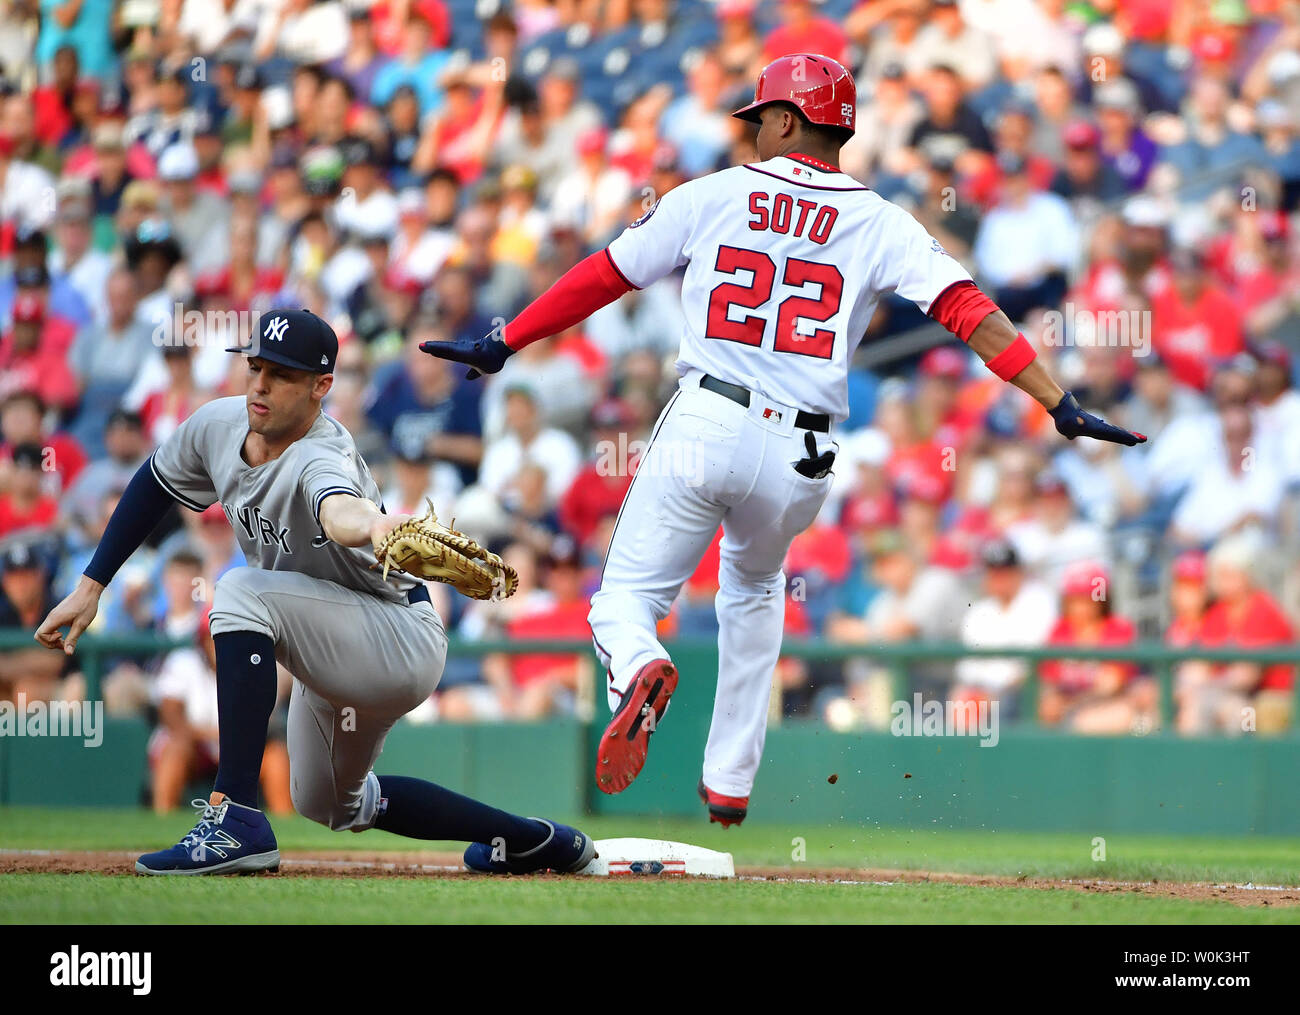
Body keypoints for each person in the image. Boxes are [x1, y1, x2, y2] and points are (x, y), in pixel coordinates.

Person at [423, 54, 1144, 825]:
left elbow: (607, 274)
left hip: (709, 415)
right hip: (804, 450)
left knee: (623, 602)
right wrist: (1057, 400)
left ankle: (641, 665)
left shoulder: (715, 193)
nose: (753, 128)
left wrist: (508, 339)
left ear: (792, 119)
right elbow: (970, 310)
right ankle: (730, 779)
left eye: (760, 116)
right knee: (757, 588)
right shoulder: (881, 218)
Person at [35, 309, 594, 877]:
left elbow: (339, 509)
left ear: (320, 386)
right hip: (329, 634)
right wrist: (90, 586)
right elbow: (154, 483)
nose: (260, 384)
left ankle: (235, 819)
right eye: (255, 366)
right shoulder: (216, 426)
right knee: (330, 802)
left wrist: (376, 526)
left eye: (280, 374)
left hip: (395, 636)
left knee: (238, 590)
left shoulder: (320, 452)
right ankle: (528, 839)